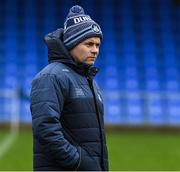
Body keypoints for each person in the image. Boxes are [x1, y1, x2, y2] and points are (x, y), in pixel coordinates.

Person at [30, 5, 108, 171]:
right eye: (89, 44)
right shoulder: (52, 77)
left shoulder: (89, 80)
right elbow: (45, 128)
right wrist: (78, 162)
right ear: (72, 43)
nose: (95, 50)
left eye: (97, 45)